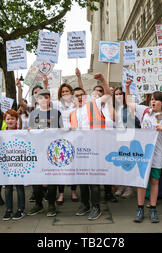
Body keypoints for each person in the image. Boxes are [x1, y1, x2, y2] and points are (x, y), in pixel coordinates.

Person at [124, 80, 162, 223]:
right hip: (143, 153)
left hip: (157, 154)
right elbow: (129, 103)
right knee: (142, 181)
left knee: (154, 180)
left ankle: (153, 209)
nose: (153, 102)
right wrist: (127, 88)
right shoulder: (144, 111)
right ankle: (140, 208)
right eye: (152, 99)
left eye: (156, 100)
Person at [70, 73, 112, 220]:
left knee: (93, 180)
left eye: (81, 94)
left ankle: (96, 207)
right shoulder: (72, 114)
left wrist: (103, 80)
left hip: (94, 149)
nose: (79, 97)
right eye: (76, 95)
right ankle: (85, 205)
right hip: (80, 151)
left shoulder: (94, 104)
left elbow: (107, 94)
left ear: (85, 96)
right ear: (73, 98)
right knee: (83, 180)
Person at [26, 80, 63, 218]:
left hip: (52, 150)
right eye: (41, 97)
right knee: (36, 177)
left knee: (52, 178)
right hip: (37, 149)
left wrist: (52, 130)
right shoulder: (33, 114)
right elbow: (29, 131)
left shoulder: (56, 113)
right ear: (37, 99)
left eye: (46, 97)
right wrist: (30, 130)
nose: (43, 99)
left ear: (49, 99)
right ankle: (38, 205)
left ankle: (52, 205)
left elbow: (61, 131)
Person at [52, 68, 83, 204]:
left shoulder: (76, 103)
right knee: (62, 165)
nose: (65, 93)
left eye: (67, 91)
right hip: (61, 137)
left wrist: (79, 77)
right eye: (63, 91)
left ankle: (74, 191)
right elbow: (45, 99)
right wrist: (46, 84)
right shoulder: (57, 104)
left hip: (75, 136)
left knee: (73, 165)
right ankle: (61, 194)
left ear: (71, 93)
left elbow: (83, 93)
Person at [112, 87, 140, 199]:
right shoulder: (113, 108)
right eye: (116, 94)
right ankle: (121, 185)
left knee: (129, 162)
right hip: (116, 139)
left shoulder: (128, 107)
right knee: (119, 163)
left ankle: (129, 187)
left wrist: (127, 87)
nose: (118, 96)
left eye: (120, 94)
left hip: (129, 138)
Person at [0, 109, 27, 221]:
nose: (10, 120)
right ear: (5, 121)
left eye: (12, 118)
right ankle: (8, 210)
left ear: (17, 120)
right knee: (8, 188)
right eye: (8, 119)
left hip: (18, 164)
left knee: (19, 187)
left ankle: (20, 209)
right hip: (7, 164)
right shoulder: (1, 133)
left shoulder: (21, 132)